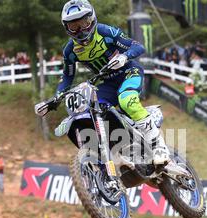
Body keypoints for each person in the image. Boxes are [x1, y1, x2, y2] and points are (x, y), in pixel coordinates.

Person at [40, 0, 170, 165]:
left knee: (126, 100)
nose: (80, 30)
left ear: (92, 18)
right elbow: (67, 76)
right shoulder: (70, 50)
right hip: (107, 82)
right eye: (74, 26)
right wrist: (55, 98)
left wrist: (124, 56)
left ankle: (159, 146)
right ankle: (115, 150)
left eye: (84, 23)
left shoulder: (105, 31)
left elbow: (138, 46)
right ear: (67, 28)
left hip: (129, 72)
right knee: (92, 110)